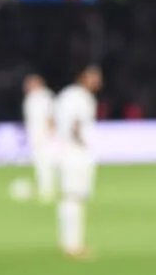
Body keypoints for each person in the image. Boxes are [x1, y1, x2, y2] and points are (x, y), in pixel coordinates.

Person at [54, 65, 102, 259]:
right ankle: (73, 245)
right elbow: (74, 124)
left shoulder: (68, 94)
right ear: (83, 77)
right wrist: (82, 143)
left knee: (71, 197)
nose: (98, 81)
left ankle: (69, 241)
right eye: (94, 77)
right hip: (75, 153)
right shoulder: (79, 97)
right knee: (74, 198)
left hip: (68, 151)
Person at [22, 73, 57, 203]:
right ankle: (46, 189)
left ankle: (47, 191)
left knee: (46, 164)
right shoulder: (31, 98)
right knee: (41, 164)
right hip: (36, 137)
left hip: (46, 137)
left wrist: (51, 134)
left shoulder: (45, 97)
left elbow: (50, 116)